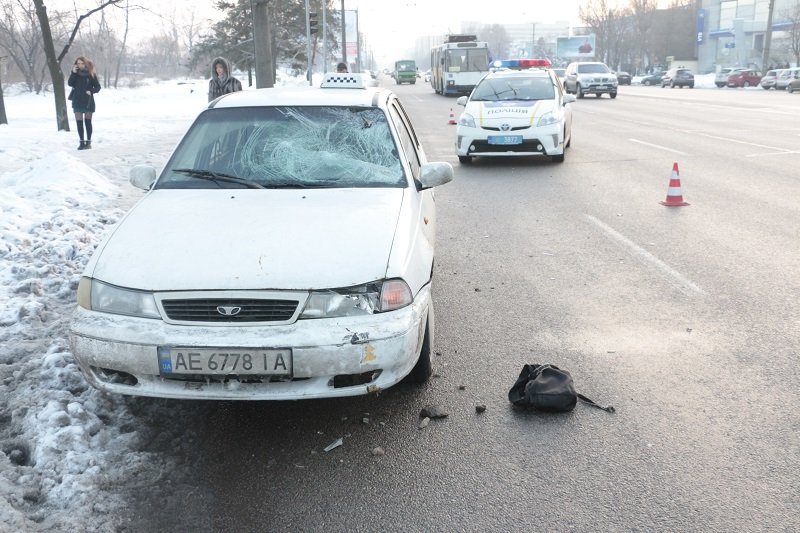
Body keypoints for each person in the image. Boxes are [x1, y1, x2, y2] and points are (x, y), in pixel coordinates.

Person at [67, 56, 102, 150]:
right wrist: (73, 73)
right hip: (77, 100)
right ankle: (82, 142)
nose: (80, 65)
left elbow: (98, 87)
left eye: (82, 63)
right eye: (78, 63)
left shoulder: (91, 74)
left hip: (88, 101)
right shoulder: (75, 74)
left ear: (85, 63)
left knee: (88, 122)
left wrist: (91, 91)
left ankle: (88, 142)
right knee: (79, 123)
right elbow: (70, 83)